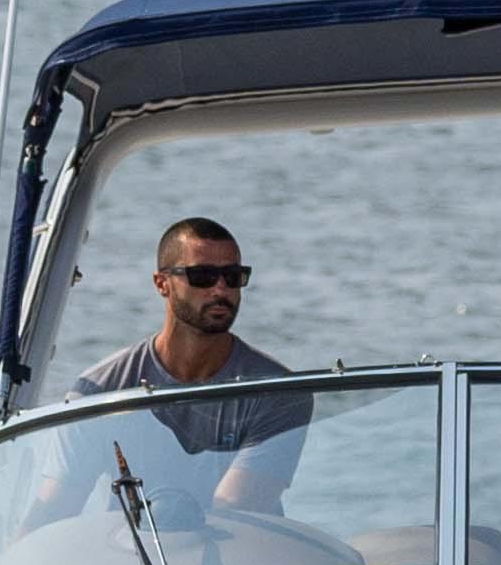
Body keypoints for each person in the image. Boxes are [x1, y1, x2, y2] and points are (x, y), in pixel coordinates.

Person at [48, 217, 308, 536]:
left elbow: (234, 509)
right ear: (162, 284)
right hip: (129, 563)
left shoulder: (279, 393)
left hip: (238, 564)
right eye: (203, 276)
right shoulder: (98, 391)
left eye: (233, 276)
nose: (221, 289)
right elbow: (54, 510)